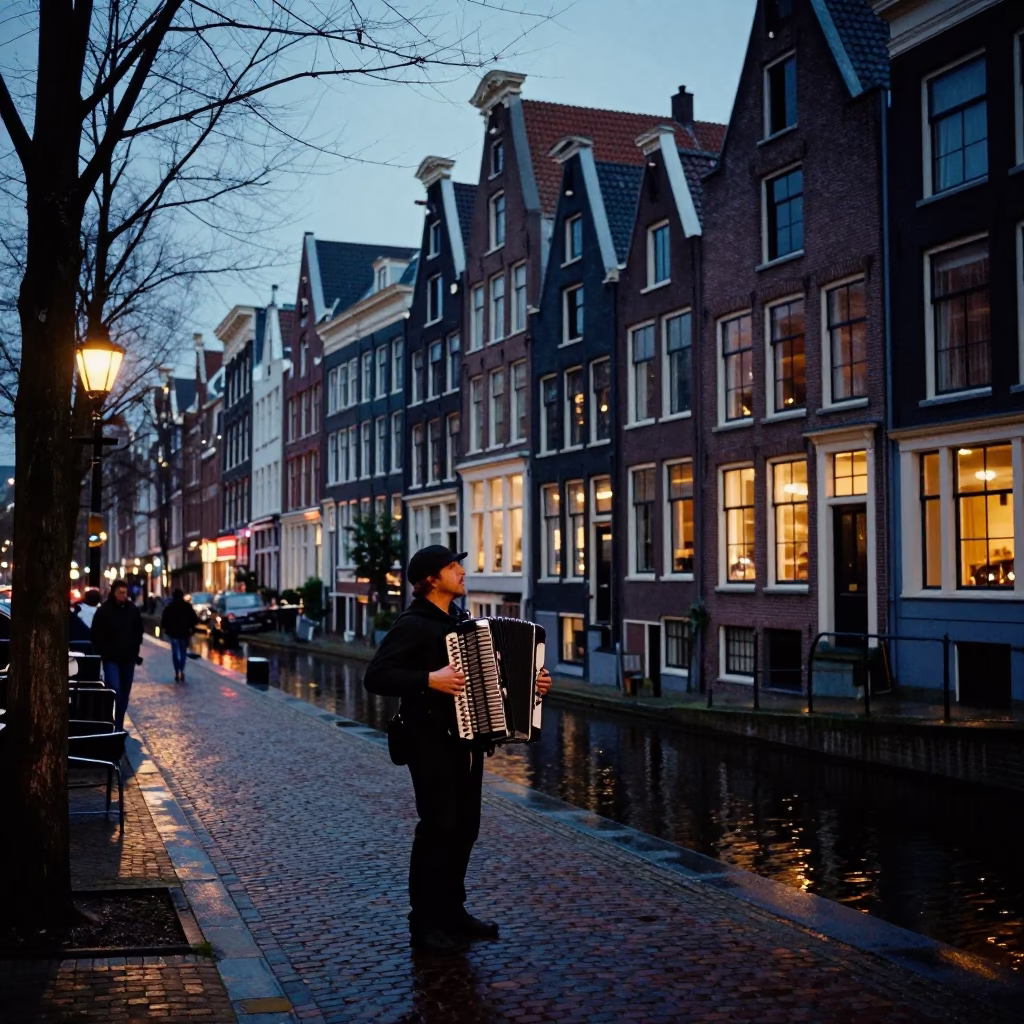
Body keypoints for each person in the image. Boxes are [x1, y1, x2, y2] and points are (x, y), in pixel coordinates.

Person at [363, 544, 552, 955]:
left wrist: (533, 684)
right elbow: (376, 676)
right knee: (437, 829)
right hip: (428, 742)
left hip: (468, 742)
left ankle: (453, 912)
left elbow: (496, 680)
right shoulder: (413, 624)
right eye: (453, 567)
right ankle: (424, 923)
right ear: (431, 579)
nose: (461, 572)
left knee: (466, 827)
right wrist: (429, 679)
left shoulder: (461, 621)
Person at [91, 578, 144, 730]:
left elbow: (139, 630)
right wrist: (102, 650)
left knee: (125, 692)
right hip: (110, 658)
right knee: (114, 689)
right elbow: (96, 633)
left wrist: (135, 646)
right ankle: (112, 720)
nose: (123, 595)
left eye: (125, 593)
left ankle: (119, 723)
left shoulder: (132, 610)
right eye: (120, 593)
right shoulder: (104, 611)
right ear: (114, 593)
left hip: (128, 657)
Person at [160, 588, 199, 683]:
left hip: (173, 634)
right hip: (184, 633)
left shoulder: (169, 607)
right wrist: (190, 627)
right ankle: (182, 670)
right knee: (183, 653)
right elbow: (195, 619)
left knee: (175, 653)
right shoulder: (187, 607)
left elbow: (164, 620)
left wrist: (167, 629)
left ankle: (177, 671)